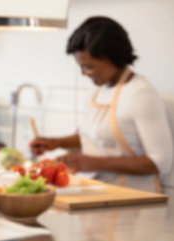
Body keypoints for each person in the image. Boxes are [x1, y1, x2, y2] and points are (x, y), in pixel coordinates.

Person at [29, 17, 173, 192]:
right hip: (98, 194)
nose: (83, 73)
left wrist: (92, 163)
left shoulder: (141, 94)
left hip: (132, 201)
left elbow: (161, 163)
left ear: (112, 57)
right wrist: (57, 142)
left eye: (89, 67)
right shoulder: (102, 89)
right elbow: (93, 138)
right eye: (81, 67)